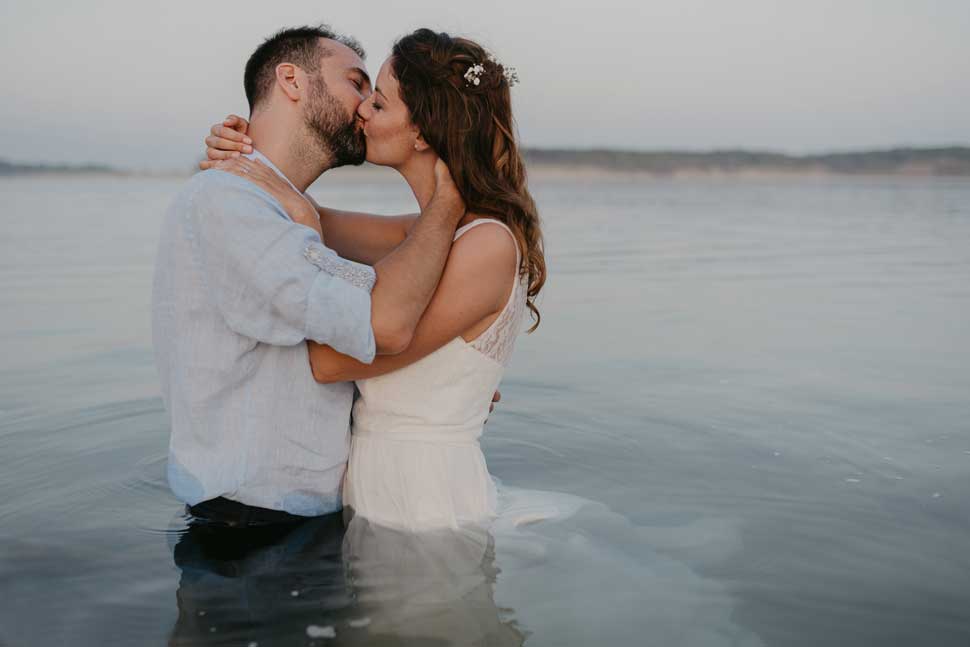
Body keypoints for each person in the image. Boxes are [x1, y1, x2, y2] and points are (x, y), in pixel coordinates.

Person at [204, 28, 546, 531]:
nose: (362, 109)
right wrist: (237, 152)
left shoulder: (485, 246)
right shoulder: (428, 232)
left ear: (423, 133)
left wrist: (296, 214)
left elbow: (331, 360)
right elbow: (291, 208)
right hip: (381, 489)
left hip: (423, 502)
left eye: (380, 104)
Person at [153, 25, 470, 526]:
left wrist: (449, 378)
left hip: (299, 518)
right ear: (291, 81)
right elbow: (379, 321)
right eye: (356, 83)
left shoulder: (282, 209)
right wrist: (449, 202)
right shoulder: (228, 202)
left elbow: (415, 249)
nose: (366, 106)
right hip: (252, 529)